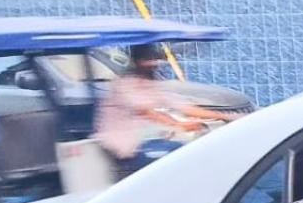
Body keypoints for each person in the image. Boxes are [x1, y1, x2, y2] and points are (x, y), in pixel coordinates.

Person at [93, 43, 232, 178]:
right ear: (139, 62)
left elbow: (184, 107)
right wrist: (179, 125)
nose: (155, 64)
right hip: (123, 148)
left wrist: (224, 116)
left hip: (142, 141)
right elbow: (146, 112)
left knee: (188, 152)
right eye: (149, 60)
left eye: (155, 60)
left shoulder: (150, 84)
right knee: (176, 158)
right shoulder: (125, 85)